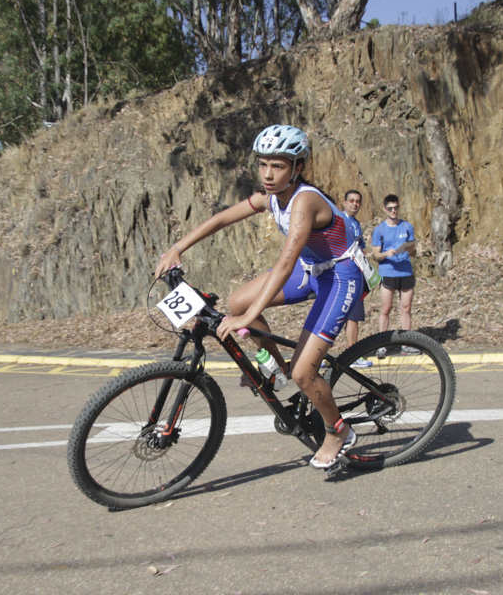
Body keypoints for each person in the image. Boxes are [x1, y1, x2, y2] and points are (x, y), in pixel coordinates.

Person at [154, 124, 364, 470]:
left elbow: (284, 264)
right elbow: (223, 217)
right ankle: (279, 372)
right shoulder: (272, 196)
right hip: (313, 268)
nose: (268, 174)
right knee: (236, 302)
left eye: (278, 166)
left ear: (297, 168)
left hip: (340, 276)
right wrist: (176, 249)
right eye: (263, 164)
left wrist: (247, 319)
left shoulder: (304, 201)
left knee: (303, 373)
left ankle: (338, 430)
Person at [370, 194, 417, 355]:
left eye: (395, 208)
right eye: (390, 208)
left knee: (406, 308)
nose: (393, 211)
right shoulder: (380, 230)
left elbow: (414, 251)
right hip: (388, 272)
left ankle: (406, 343)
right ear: (384, 209)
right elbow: (375, 256)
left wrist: (411, 249)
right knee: (386, 308)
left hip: (405, 271)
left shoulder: (406, 227)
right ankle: (381, 344)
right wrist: (385, 254)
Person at [341, 190, 371, 369]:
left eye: (358, 201)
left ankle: (352, 354)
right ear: (344, 202)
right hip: (343, 274)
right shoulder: (339, 220)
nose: (354, 204)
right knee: (333, 317)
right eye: (351, 201)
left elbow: (361, 249)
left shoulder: (356, 224)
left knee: (353, 317)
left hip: (357, 273)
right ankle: (318, 354)